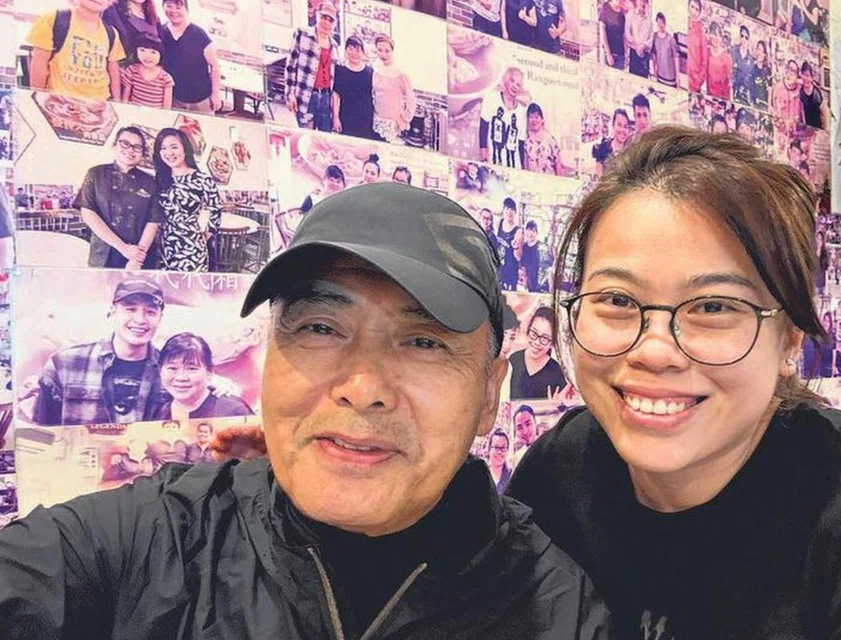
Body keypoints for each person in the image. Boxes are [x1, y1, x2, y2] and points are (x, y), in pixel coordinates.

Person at [0, 183, 612, 639]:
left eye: (424, 342)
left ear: (488, 396)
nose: (363, 387)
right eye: (321, 327)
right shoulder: (152, 542)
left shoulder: (556, 611)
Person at [502, 127, 841, 637]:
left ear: (789, 341)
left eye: (713, 307)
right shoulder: (558, 471)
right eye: (616, 300)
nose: (654, 351)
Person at [30, 280, 167, 426]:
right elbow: (43, 433)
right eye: (130, 309)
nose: (140, 320)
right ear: (112, 312)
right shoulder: (64, 364)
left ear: (160, 318)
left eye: (151, 312)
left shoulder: (172, 372)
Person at [75, 126, 163, 269]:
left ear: (142, 153)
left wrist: (137, 259)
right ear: (115, 145)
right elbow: (88, 213)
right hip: (103, 255)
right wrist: (123, 248)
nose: (130, 150)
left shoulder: (150, 182)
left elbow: (153, 222)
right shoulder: (95, 174)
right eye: (125, 143)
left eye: (137, 147)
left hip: (139, 256)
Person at [153, 127, 223, 272]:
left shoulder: (202, 179)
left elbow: (216, 210)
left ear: (185, 149)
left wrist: (204, 236)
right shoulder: (160, 179)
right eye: (163, 148)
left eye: (174, 147)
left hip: (191, 247)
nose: (169, 153)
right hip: (164, 247)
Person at [26, 0, 125, 101]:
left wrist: (117, 102)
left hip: (99, 102)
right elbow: (39, 64)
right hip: (61, 101)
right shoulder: (53, 20)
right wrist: (38, 98)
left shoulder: (111, 34)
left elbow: (113, 71)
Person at [146, 332, 252, 423]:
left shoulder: (233, 411)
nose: (181, 377)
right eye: (172, 368)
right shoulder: (156, 411)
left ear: (209, 372)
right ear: (160, 370)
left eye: (192, 368)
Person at [160, 0, 222, 114]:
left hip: (201, 99)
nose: (173, 11)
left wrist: (216, 94)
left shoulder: (199, 34)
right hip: (173, 98)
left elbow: (214, 66)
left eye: (178, 7)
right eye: (169, 6)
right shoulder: (161, 32)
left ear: (186, 9)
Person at [285, 1, 339, 131]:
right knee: (306, 135)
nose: (326, 22)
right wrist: (290, 94)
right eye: (324, 17)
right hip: (306, 96)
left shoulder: (334, 46)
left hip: (325, 98)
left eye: (331, 20)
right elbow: (290, 66)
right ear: (317, 15)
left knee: (324, 137)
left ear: (335, 24)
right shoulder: (302, 34)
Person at [509, 307, 567, 399]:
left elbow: (563, 404)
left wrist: (557, 404)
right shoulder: (513, 360)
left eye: (544, 338)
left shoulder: (557, 372)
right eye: (534, 333)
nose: (536, 342)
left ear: (552, 343)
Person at [480, 67, 530, 167]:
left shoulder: (522, 110)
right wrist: (484, 158)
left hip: (515, 166)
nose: (515, 86)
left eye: (518, 84)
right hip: (492, 162)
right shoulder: (491, 97)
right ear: (506, 80)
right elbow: (483, 129)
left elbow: (520, 142)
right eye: (512, 81)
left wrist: (522, 168)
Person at [372, 36, 417, 144]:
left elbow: (411, 99)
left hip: (392, 122)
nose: (383, 54)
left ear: (392, 51)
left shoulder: (400, 73)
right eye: (380, 50)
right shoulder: (376, 69)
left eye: (387, 51)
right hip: (376, 118)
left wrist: (404, 118)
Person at [332, 36, 375, 140]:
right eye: (351, 49)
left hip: (366, 119)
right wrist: (335, 117)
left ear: (363, 53)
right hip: (346, 117)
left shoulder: (370, 72)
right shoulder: (340, 70)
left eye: (358, 50)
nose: (354, 53)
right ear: (346, 51)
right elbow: (336, 96)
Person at [120, 33, 175, 109]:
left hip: (155, 115)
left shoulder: (166, 78)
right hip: (134, 112)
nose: (147, 56)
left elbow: (167, 107)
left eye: (153, 52)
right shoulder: (132, 70)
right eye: (142, 50)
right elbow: (125, 98)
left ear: (161, 54)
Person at [102, 0, 163, 67]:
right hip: (121, 69)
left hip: (150, 71)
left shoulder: (154, 17)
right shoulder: (112, 10)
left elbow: (161, 51)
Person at [524, 103, 561, 175]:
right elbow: (526, 167)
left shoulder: (551, 140)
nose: (534, 120)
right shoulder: (527, 142)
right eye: (531, 117)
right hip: (532, 181)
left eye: (536, 117)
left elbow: (558, 165)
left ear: (542, 119)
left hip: (549, 180)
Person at [592, 108, 631, 173]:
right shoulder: (603, 148)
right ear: (613, 125)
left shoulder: (630, 152)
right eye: (619, 125)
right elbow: (598, 173)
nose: (622, 130)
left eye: (625, 126)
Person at [650, 12, 679, 88]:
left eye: (662, 23)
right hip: (660, 75)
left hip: (670, 77)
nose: (660, 25)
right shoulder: (654, 37)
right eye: (658, 22)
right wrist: (654, 71)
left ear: (665, 24)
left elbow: (676, 57)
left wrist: (677, 76)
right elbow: (654, 55)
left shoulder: (670, 39)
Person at [706, 22, 733, 100]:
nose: (715, 39)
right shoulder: (707, 52)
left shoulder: (726, 56)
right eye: (713, 35)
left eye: (717, 35)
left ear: (721, 37)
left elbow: (728, 80)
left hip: (722, 96)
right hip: (709, 93)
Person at [772, 58, 803, 124]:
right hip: (782, 125)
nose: (792, 73)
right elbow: (773, 107)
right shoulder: (778, 88)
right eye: (790, 69)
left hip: (796, 126)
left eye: (795, 71)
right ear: (787, 71)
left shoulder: (800, 89)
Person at [685, 0, 708, 91]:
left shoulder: (701, 31)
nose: (693, 11)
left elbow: (705, 60)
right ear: (688, 7)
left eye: (697, 9)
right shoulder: (683, 23)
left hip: (694, 80)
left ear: (700, 12)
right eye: (692, 7)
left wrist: (698, 81)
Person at [599, 0, 626, 70]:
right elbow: (603, 32)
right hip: (609, 53)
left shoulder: (622, 12)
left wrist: (626, 54)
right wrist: (608, 54)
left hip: (621, 54)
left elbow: (623, 35)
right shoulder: (605, 7)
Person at [509, 404, 538, 469]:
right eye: (520, 427)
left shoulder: (549, 449)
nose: (525, 431)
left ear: (535, 422)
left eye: (528, 424)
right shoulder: (517, 459)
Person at [731, 25, 754, 105]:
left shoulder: (751, 59)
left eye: (746, 37)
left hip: (743, 94)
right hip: (731, 89)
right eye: (742, 36)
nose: (744, 39)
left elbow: (749, 80)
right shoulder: (733, 51)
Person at [799, 61, 825, 129]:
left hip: (818, 128)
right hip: (805, 129)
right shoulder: (800, 92)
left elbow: (824, 112)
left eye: (807, 75)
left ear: (812, 78)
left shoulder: (817, 92)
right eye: (803, 75)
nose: (805, 78)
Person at [520, 219, 542, 293]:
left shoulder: (540, 246)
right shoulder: (524, 246)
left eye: (533, 231)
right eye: (528, 230)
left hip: (539, 281)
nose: (530, 233)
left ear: (536, 233)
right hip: (528, 281)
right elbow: (523, 265)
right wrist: (525, 279)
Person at [487, 429, 513, 494]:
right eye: (496, 447)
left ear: (507, 450)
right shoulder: (482, 474)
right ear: (489, 450)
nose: (499, 452)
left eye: (503, 448)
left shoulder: (512, 476)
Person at [750, 39, 773, 110]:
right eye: (759, 50)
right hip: (755, 104)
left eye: (762, 51)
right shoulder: (752, 69)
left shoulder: (768, 70)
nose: (760, 53)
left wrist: (769, 106)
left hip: (765, 104)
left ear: (765, 54)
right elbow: (750, 88)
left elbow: (770, 89)